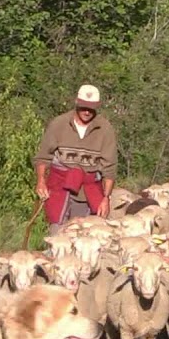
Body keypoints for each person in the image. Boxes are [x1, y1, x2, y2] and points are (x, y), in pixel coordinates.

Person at [32, 84, 118, 232]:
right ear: (77, 102)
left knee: (82, 231)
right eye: (84, 106)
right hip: (60, 183)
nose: (87, 111)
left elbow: (109, 168)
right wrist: (41, 181)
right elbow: (43, 157)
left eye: (91, 108)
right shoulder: (58, 124)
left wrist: (106, 198)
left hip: (88, 185)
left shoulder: (105, 129)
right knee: (57, 229)